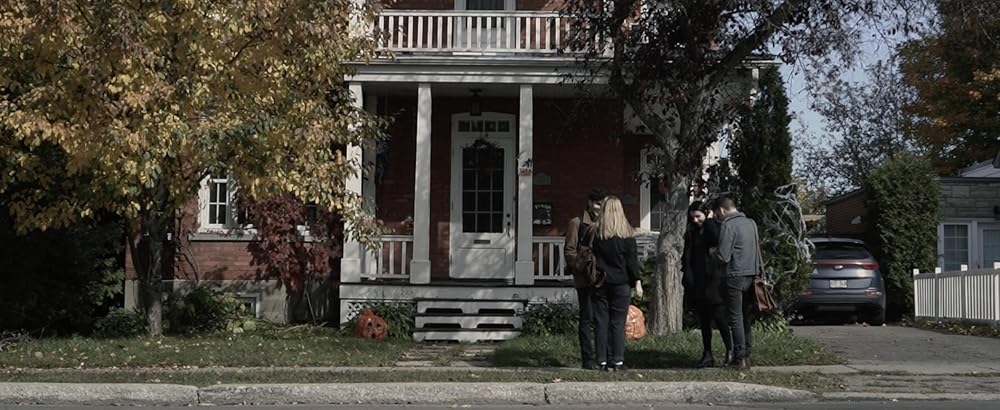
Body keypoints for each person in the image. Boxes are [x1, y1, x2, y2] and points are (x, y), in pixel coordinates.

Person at [589, 195, 643, 372]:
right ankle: (617, 360)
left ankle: (601, 360)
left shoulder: (596, 234)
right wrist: (637, 282)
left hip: (600, 282)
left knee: (601, 321)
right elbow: (632, 263)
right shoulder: (627, 237)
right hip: (621, 283)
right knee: (618, 323)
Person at [683, 202, 733, 368]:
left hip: (714, 281)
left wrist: (710, 220)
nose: (696, 220)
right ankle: (707, 353)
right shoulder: (691, 233)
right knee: (704, 320)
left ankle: (730, 350)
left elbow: (717, 238)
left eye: (699, 216)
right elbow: (687, 255)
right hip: (698, 281)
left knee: (720, 318)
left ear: (706, 214)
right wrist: (688, 277)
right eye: (693, 217)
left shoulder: (713, 228)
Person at [713, 195, 761, 370]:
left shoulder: (728, 225)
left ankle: (739, 357)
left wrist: (713, 252)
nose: (718, 217)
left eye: (717, 214)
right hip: (751, 274)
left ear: (721, 210)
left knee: (735, 317)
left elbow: (723, 256)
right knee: (745, 316)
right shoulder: (751, 223)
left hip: (734, 274)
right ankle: (747, 354)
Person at [564, 188, 608, 369]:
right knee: (587, 318)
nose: (600, 208)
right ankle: (587, 359)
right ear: (590, 202)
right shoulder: (577, 223)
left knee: (602, 319)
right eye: (597, 204)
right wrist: (581, 267)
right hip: (585, 278)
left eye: (603, 205)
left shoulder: (607, 222)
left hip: (603, 277)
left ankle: (603, 357)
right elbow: (569, 250)